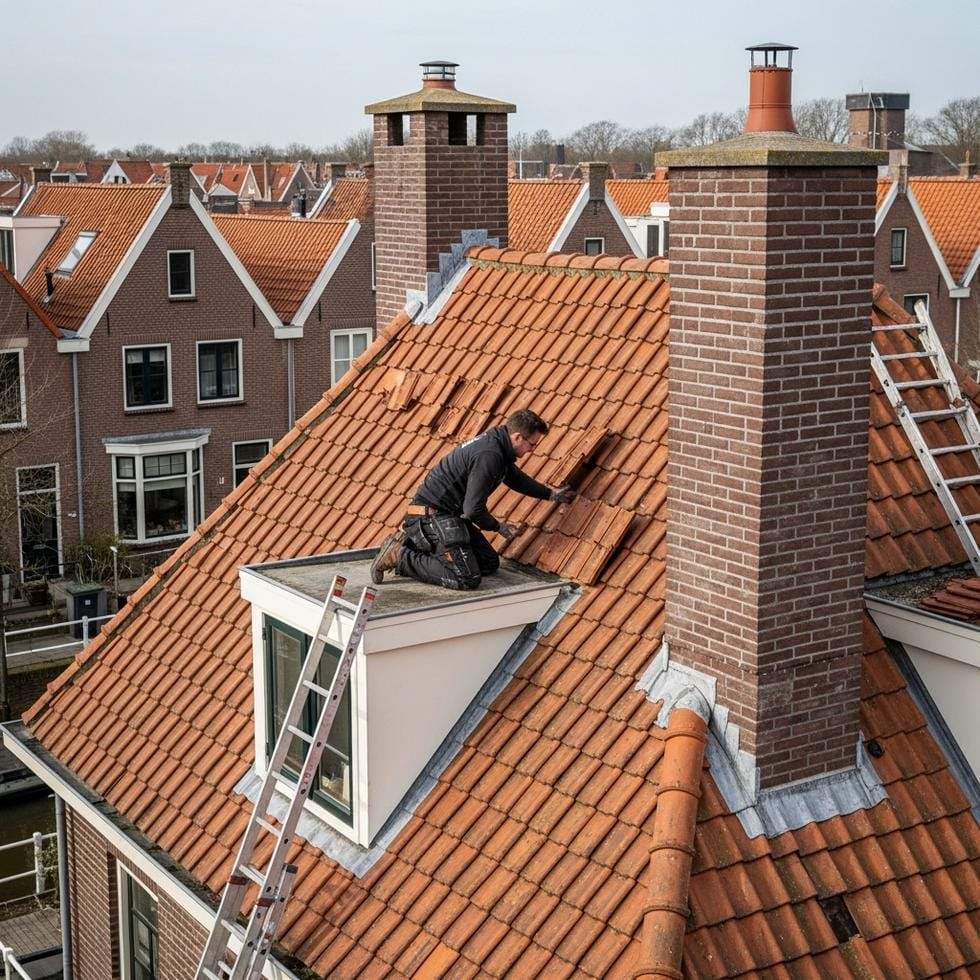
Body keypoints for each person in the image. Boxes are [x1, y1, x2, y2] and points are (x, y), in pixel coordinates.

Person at [370, 409, 575, 590]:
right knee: (466, 577)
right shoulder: (490, 455)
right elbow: (472, 510)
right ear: (518, 437)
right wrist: (498, 527)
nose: (532, 449)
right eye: (532, 444)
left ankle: (416, 546)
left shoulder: (498, 446)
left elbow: (515, 478)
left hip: (448, 516)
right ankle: (400, 556)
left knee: (488, 563)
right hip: (429, 516)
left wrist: (550, 495)